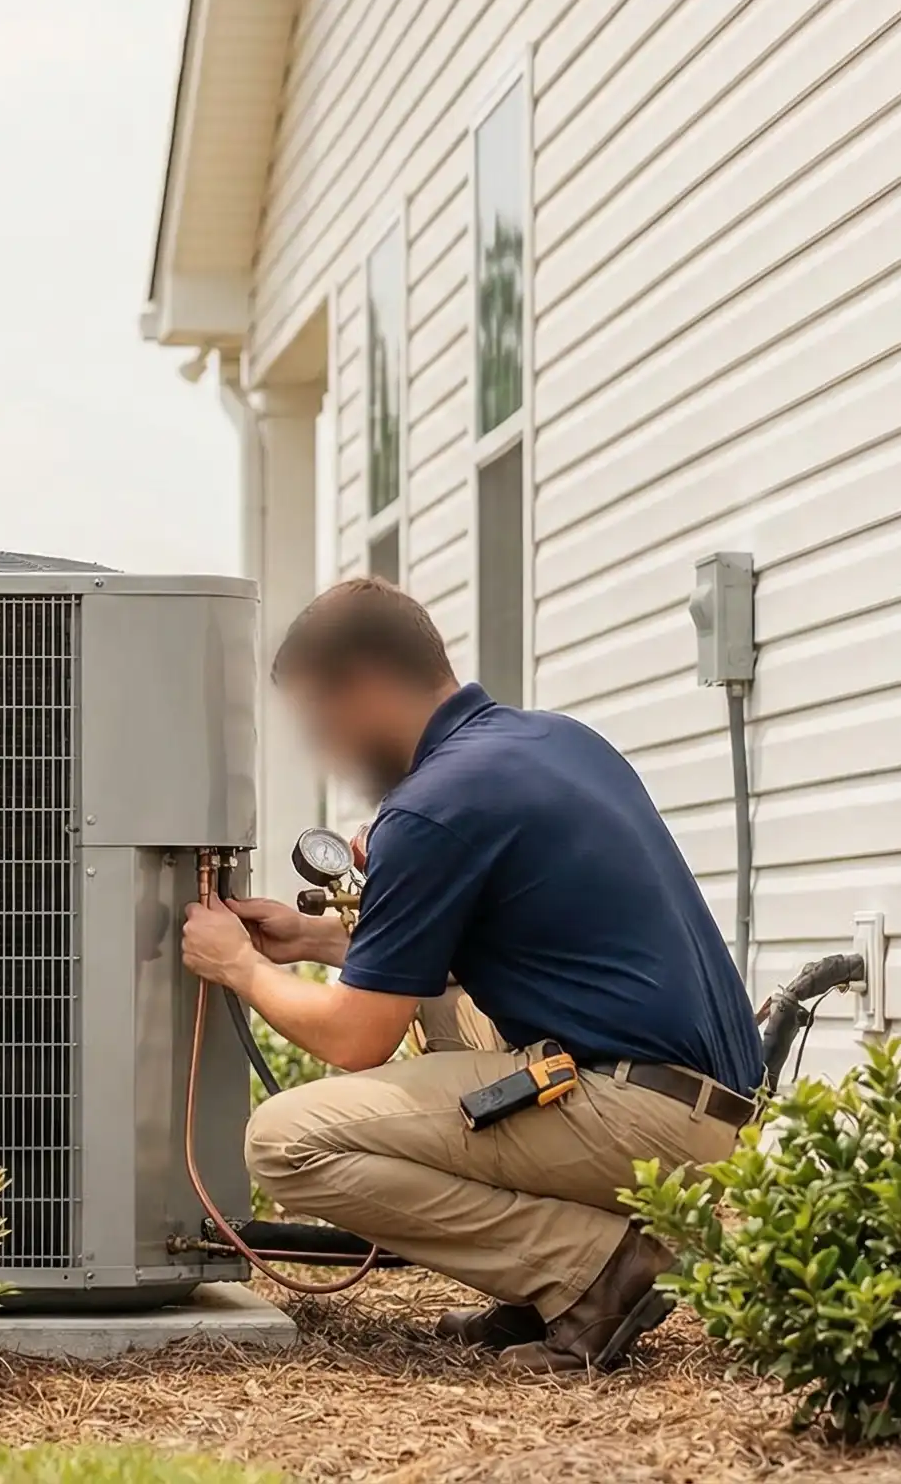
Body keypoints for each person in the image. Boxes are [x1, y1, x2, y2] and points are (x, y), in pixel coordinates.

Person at [180, 578, 761, 1373]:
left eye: (323, 719)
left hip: (641, 1118)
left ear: (369, 685)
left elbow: (356, 1038)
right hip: (706, 1108)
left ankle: (588, 1273)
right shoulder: (551, 741)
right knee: (442, 1005)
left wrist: (238, 965)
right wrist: (318, 940)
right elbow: (485, 950)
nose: (327, 750)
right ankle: (534, 1285)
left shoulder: (432, 806)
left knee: (284, 1145)